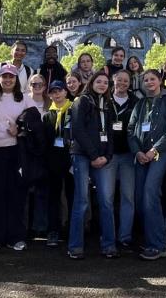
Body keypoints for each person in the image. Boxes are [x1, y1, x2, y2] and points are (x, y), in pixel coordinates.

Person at [128, 69, 166, 260]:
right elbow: (131, 130)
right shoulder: (140, 103)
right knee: (142, 197)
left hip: (160, 154)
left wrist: (153, 151)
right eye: (146, 80)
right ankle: (158, 237)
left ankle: (156, 246)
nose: (149, 82)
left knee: (150, 193)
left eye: (152, 79)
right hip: (142, 155)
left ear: (160, 80)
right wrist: (138, 152)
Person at [68, 71, 118, 259]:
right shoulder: (82, 101)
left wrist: (107, 155)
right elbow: (78, 130)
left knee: (106, 201)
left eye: (106, 82)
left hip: (103, 157)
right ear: (91, 82)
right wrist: (94, 155)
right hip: (82, 155)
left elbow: (111, 133)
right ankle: (75, 246)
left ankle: (109, 245)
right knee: (81, 201)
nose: (103, 84)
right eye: (99, 81)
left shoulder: (109, 104)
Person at [0, 64, 30, 252]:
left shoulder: (24, 99)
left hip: (14, 151)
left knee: (15, 194)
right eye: (5, 77)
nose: (8, 80)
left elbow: (34, 122)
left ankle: (15, 236)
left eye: (12, 77)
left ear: (16, 80)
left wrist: (19, 131)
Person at [42, 80, 76, 248]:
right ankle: (53, 230)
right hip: (54, 159)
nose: (56, 94)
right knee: (53, 196)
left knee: (72, 195)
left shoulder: (74, 109)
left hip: (71, 158)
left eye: (59, 90)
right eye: (53, 91)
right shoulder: (48, 115)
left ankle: (73, 229)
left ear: (65, 92)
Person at [17, 74, 51, 242]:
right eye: (33, 83)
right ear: (29, 85)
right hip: (26, 150)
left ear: (45, 86)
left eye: (40, 83)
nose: (37, 86)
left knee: (42, 190)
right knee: (24, 190)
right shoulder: (22, 101)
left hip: (45, 150)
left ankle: (40, 226)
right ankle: (25, 227)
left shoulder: (49, 102)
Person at [109, 70, 139, 250]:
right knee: (107, 197)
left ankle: (125, 236)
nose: (122, 83)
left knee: (128, 196)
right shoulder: (105, 100)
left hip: (128, 154)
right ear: (113, 81)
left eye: (126, 81)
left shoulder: (135, 102)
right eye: (119, 80)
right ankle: (109, 235)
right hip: (109, 154)